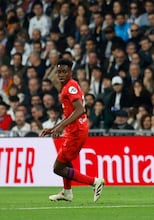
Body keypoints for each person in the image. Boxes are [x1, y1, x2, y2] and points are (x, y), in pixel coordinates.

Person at [40, 59, 104, 202]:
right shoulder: (68, 86)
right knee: (65, 162)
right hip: (74, 130)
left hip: (76, 132)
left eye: (64, 71)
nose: (61, 74)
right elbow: (71, 114)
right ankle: (67, 193)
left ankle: (94, 182)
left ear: (71, 72)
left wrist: (61, 127)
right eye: (59, 72)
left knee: (58, 168)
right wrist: (55, 128)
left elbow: (80, 110)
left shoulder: (70, 87)